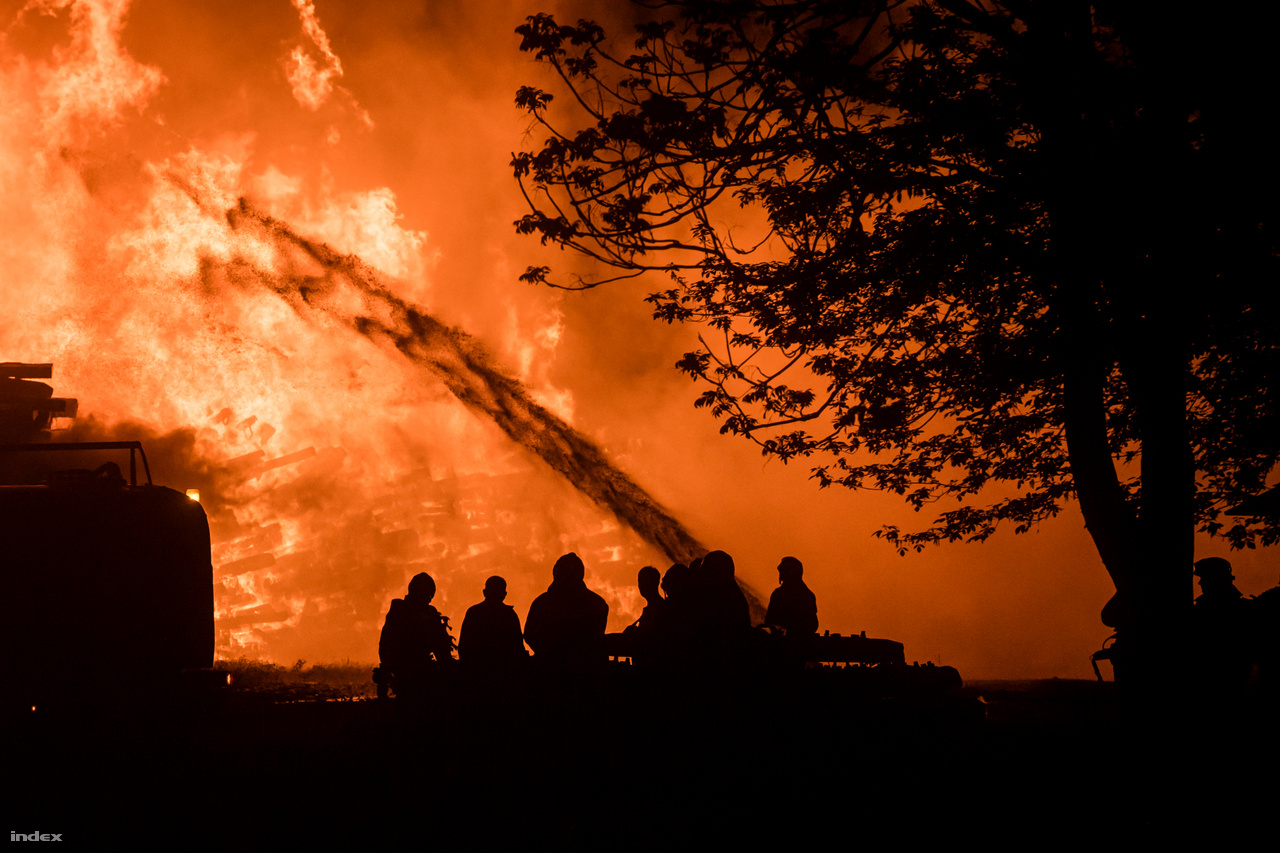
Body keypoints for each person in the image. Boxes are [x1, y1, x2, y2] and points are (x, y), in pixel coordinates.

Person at [523, 552, 608, 671]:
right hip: (585, 671)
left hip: (549, 670)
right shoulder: (598, 603)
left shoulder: (542, 603)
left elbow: (529, 634)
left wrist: (548, 654)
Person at [376, 572, 454, 700]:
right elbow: (386, 646)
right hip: (408, 672)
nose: (429, 599)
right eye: (427, 595)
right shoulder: (400, 612)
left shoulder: (427, 613)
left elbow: (441, 647)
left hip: (419, 670)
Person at [459, 576, 527, 676]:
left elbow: (464, 646)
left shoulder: (474, 613)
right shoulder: (509, 615)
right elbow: (518, 647)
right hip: (504, 673)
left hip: (478, 673)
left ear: (484, 592)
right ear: (504, 595)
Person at [765, 556, 819, 637]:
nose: (781, 575)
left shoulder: (805, 595)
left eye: (783, 571)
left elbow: (812, 624)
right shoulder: (807, 595)